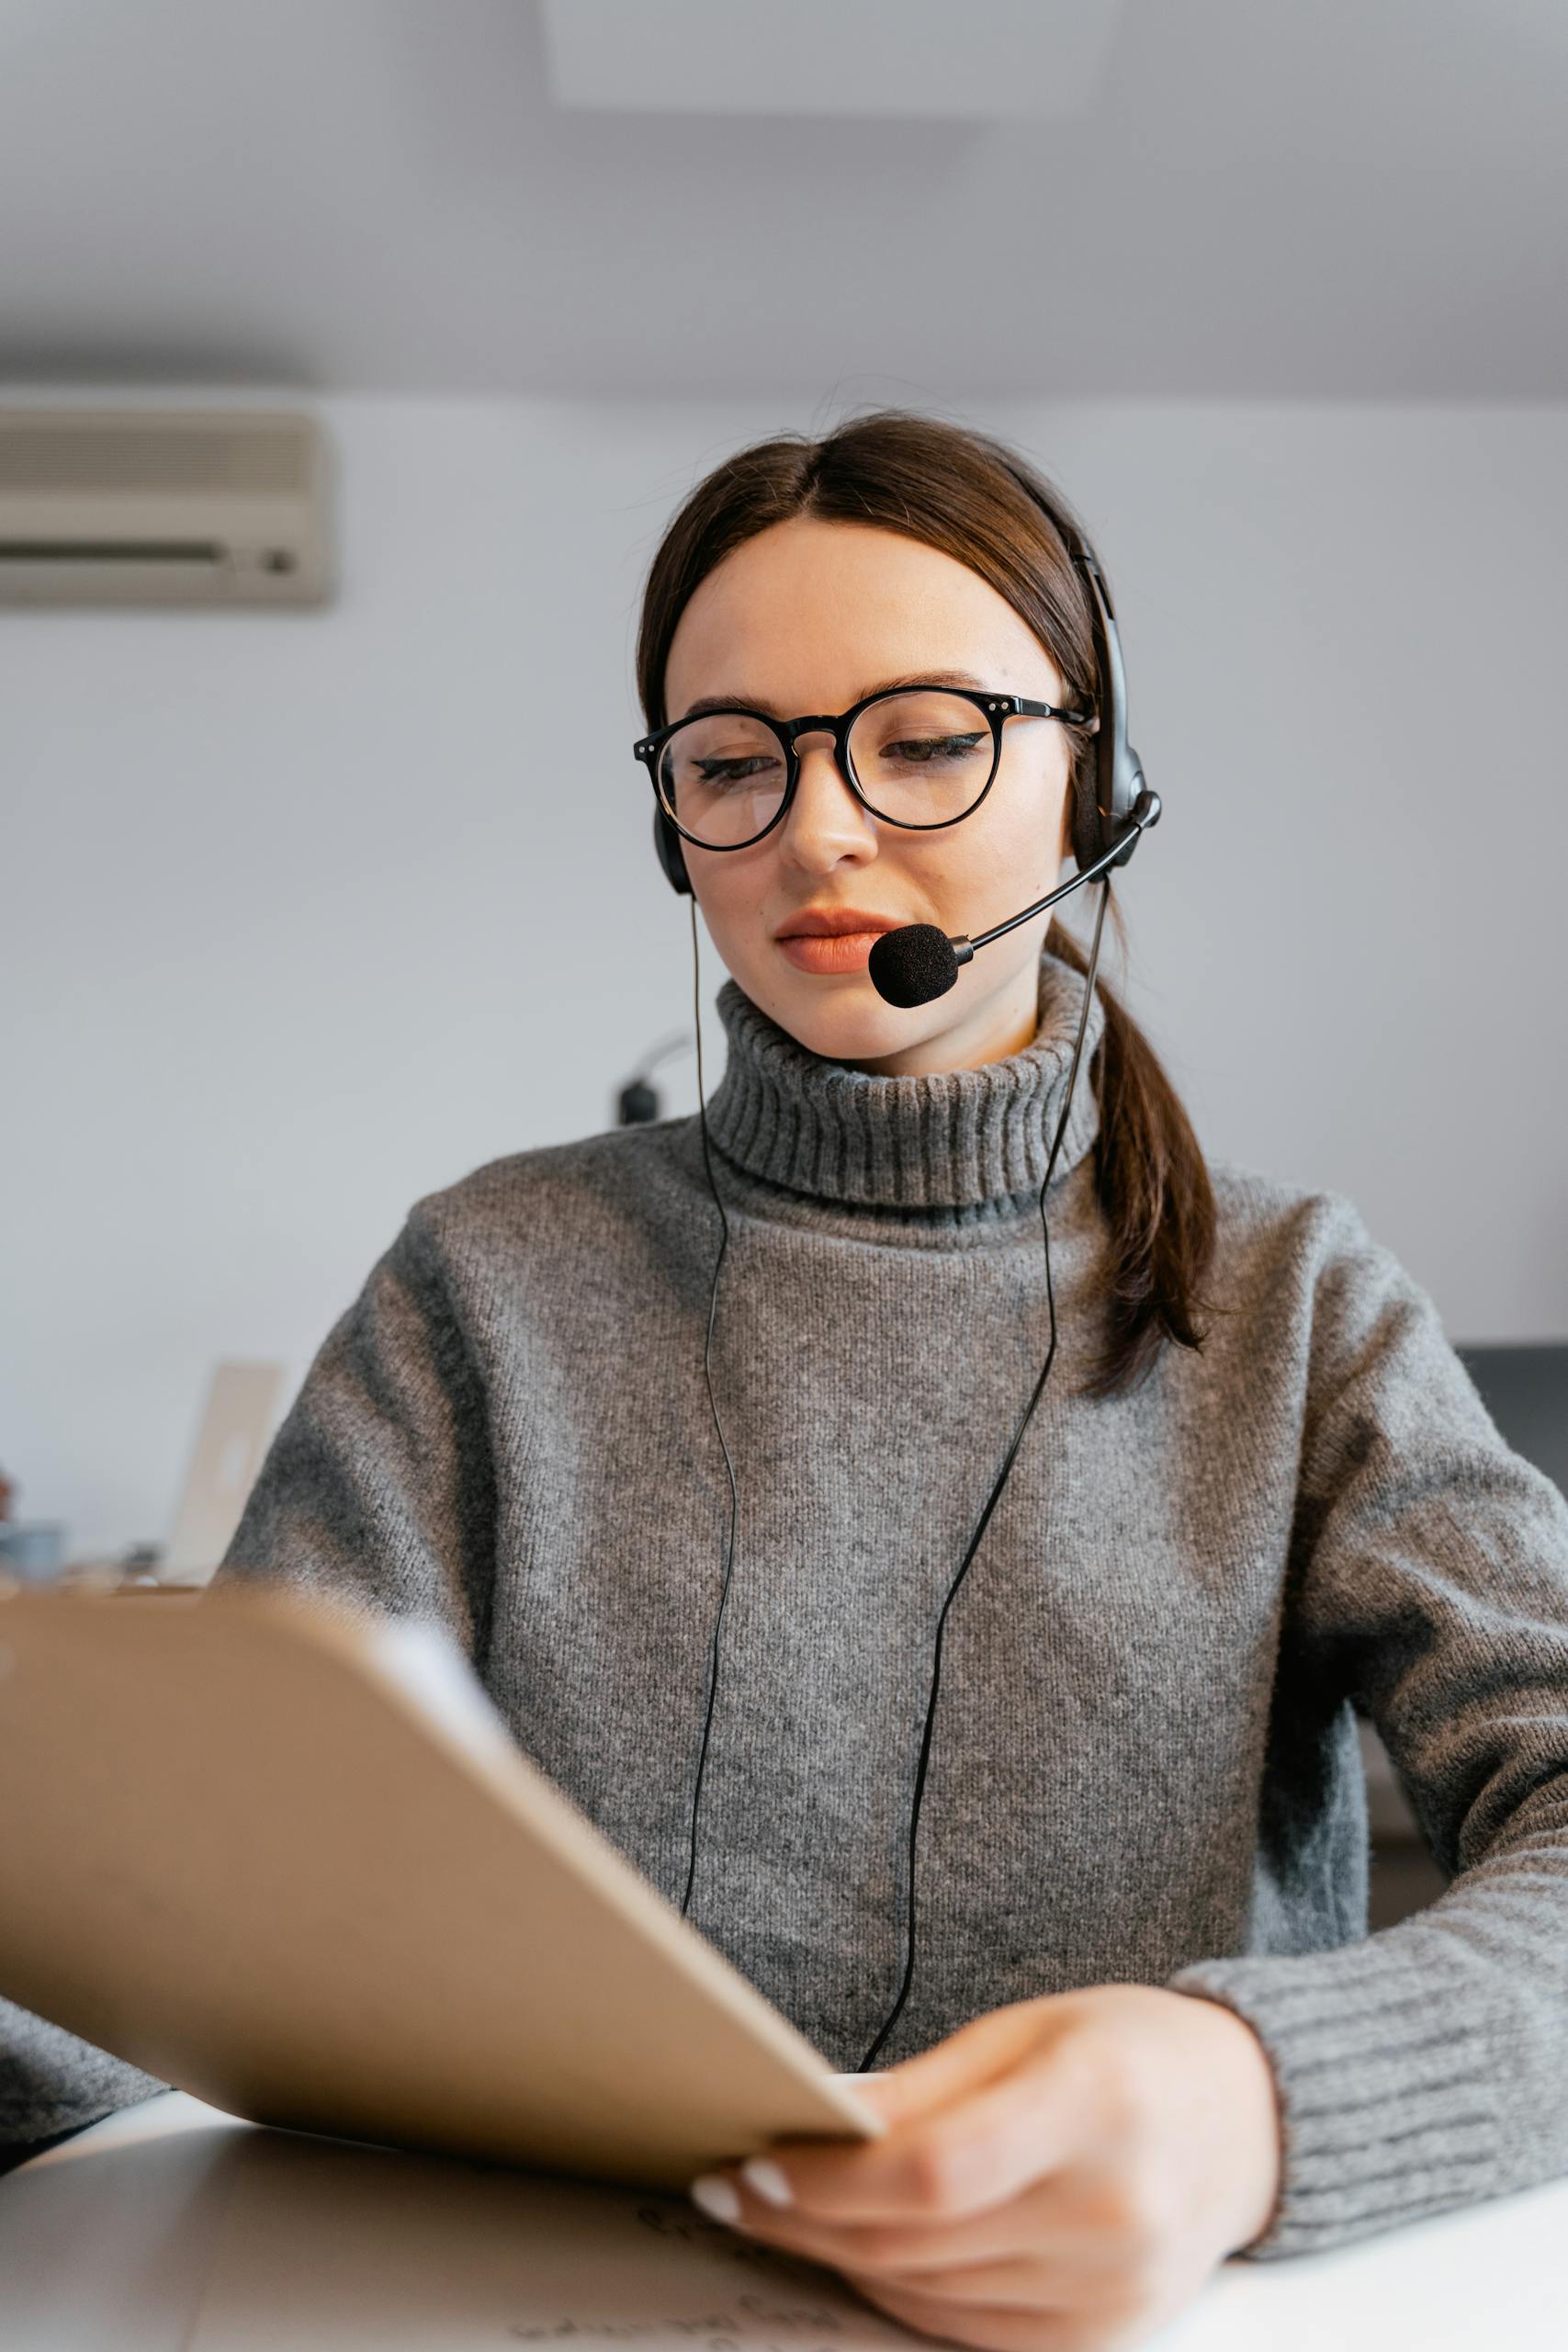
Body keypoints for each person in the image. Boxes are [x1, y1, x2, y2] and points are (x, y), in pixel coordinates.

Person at [6, 410, 1568, 2350]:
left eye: (923, 738)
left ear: (1092, 778)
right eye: (731, 762)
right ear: (671, 822)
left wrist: (1256, 2095)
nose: (817, 829)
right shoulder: (484, 1282)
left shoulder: (1298, 1301)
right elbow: (225, 1893)